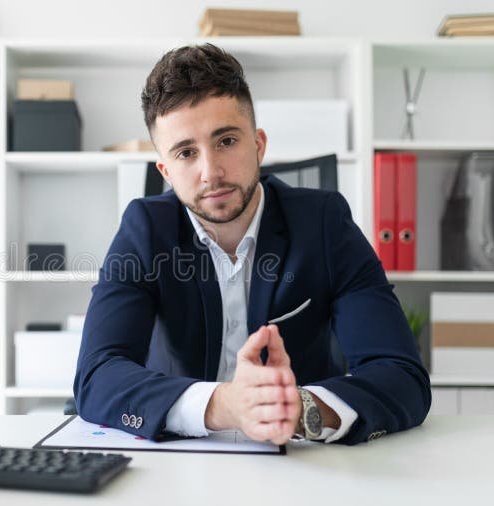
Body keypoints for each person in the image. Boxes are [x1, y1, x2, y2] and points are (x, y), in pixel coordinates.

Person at [73, 43, 430, 446]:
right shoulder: (145, 229)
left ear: (258, 144)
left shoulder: (324, 223)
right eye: (186, 153)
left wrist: (301, 407)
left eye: (226, 141)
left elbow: (403, 375)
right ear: (166, 171)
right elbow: (96, 376)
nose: (211, 172)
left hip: (301, 459)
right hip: (181, 457)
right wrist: (226, 405)